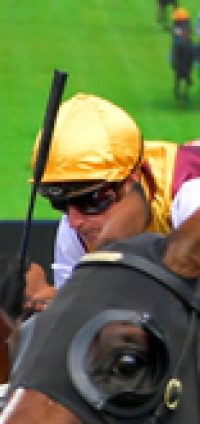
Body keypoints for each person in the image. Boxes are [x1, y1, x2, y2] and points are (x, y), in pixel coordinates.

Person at [24, 92, 200, 313]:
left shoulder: (190, 195)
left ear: (132, 179)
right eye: (61, 204)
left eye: (90, 201)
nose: (75, 221)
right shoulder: (75, 230)